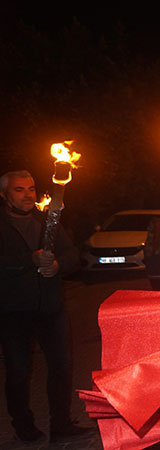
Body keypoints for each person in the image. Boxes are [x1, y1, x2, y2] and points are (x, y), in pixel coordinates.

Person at [0, 170, 92, 443]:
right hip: (13, 311)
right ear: (4, 195)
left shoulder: (46, 220)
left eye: (30, 188)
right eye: (19, 190)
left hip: (51, 308)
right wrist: (29, 258)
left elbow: (72, 255)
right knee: (18, 370)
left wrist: (57, 265)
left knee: (62, 365)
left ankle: (61, 424)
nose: (27, 194)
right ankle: (23, 425)